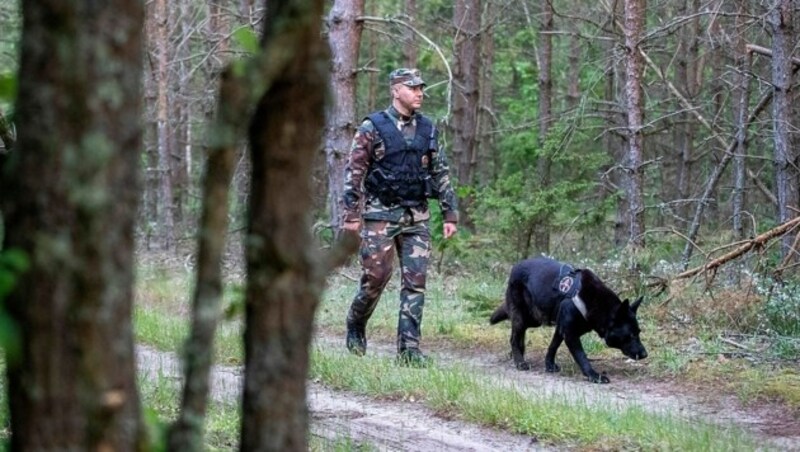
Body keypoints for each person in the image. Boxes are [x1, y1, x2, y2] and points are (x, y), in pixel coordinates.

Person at [341, 68, 459, 366]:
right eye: (412, 87)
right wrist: (351, 216)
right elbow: (354, 174)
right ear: (395, 90)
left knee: (415, 282)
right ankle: (356, 322)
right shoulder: (373, 127)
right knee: (376, 278)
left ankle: (409, 350)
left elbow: (440, 171)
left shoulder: (428, 129)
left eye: (421, 88)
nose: (419, 92)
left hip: (417, 216)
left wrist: (449, 213)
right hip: (380, 214)